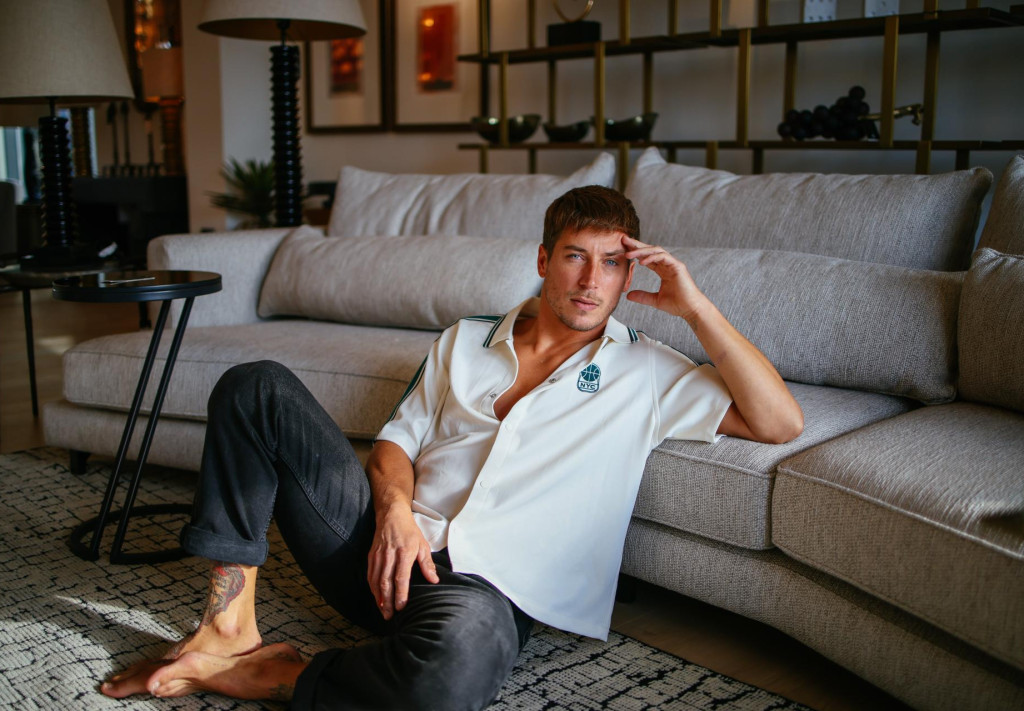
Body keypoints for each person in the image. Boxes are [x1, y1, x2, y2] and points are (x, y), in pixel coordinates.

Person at [100, 185, 802, 708]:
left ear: (630, 274)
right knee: (256, 386)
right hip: (379, 549)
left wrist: (695, 306)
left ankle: (277, 673)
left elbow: (779, 422)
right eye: (575, 257)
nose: (592, 281)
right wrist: (395, 515)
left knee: (445, 680)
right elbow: (394, 444)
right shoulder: (465, 340)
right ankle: (226, 629)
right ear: (544, 260)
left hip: (483, 590)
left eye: (613, 264)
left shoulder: (644, 369)